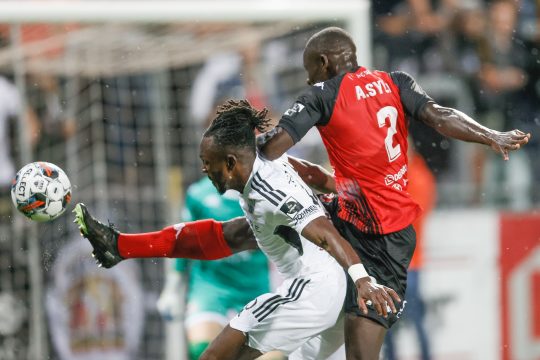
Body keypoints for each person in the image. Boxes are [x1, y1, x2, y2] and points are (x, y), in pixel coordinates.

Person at [254, 26, 530, 359]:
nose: (308, 77)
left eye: (309, 68)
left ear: (323, 62)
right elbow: (440, 116)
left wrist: (247, 137)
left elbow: (272, 148)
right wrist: (490, 135)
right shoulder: (395, 81)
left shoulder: (322, 94)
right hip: (385, 233)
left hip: (372, 232)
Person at [75, 100, 400, 359]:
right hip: (323, 293)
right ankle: (120, 246)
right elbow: (308, 176)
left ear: (230, 163)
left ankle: (120, 246)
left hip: (313, 291)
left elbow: (324, 232)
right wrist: (347, 190)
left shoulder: (267, 188)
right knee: (233, 233)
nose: (204, 169)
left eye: (208, 162)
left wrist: (364, 280)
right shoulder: (267, 162)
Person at [156, 176, 275, 360]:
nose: (205, 167)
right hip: (211, 287)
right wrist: (172, 288)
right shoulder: (198, 194)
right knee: (203, 350)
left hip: (255, 289)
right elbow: (183, 243)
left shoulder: (268, 194)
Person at [384, 147, 436, 360]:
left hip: (404, 263)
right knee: (408, 322)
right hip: (407, 262)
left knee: (391, 322)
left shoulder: (413, 177)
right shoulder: (420, 175)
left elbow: (405, 217)